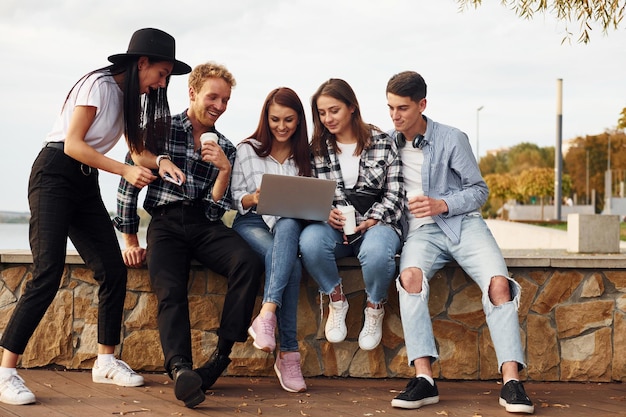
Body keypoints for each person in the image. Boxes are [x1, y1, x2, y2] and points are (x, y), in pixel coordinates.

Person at [0, 28, 190, 406]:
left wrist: (162, 160)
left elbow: (137, 153)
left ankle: (105, 361)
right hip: (54, 174)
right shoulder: (98, 85)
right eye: (161, 73)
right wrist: (122, 173)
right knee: (46, 272)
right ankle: (5, 371)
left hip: (83, 184)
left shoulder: (128, 101)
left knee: (112, 269)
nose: (162, 82)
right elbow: (73, 144)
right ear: (142, 63)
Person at [114, 62, 263, 409]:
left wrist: (224, 169)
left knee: (249, 262)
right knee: (169, 288)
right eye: (213, 97)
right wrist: (131, 239)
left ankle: (219, 358)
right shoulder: (159, 129)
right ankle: (180, 368)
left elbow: (218, 208)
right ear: (193, 93)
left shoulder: (226, 146)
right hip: (165, 222)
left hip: (205, 223)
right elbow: (128, 183)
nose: (220, 106)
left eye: (225, 100)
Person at [385, 71, 534, 414]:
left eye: (403, 108)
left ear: (422, 105)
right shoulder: (387, 142)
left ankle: (512, 382)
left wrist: (442, 203)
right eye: (391, 108)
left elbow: (479, 191)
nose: (395, 116)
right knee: (409, 279)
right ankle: (424, 380)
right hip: (421, 232)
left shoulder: (452, 138)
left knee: (499, 286)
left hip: (462, 224)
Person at [299, 78, 403, 352]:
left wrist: (373, 219)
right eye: (321, 113)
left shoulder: (383, 143)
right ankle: (336, 298)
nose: (327, 118)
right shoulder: (316, 150)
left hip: (377, 224)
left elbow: (395, 195)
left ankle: (374, 306)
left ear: (352, 107)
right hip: (334, 229)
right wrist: (325, 214)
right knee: (309, 241)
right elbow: (309, 195)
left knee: (379, 252)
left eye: (334, 110)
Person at [230, 87, 311, 393]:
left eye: (289, 120)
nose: (281, 126)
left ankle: (266, 316)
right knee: (289, 266)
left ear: (299, 121)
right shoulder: (247, 149)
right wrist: (253, 197)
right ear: (266, 117)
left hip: (287, 224)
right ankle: (288, 353)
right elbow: (234, 199)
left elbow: (311, 198)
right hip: (251, 220)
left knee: (289, 223)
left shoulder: (307, 156)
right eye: (275, 119)